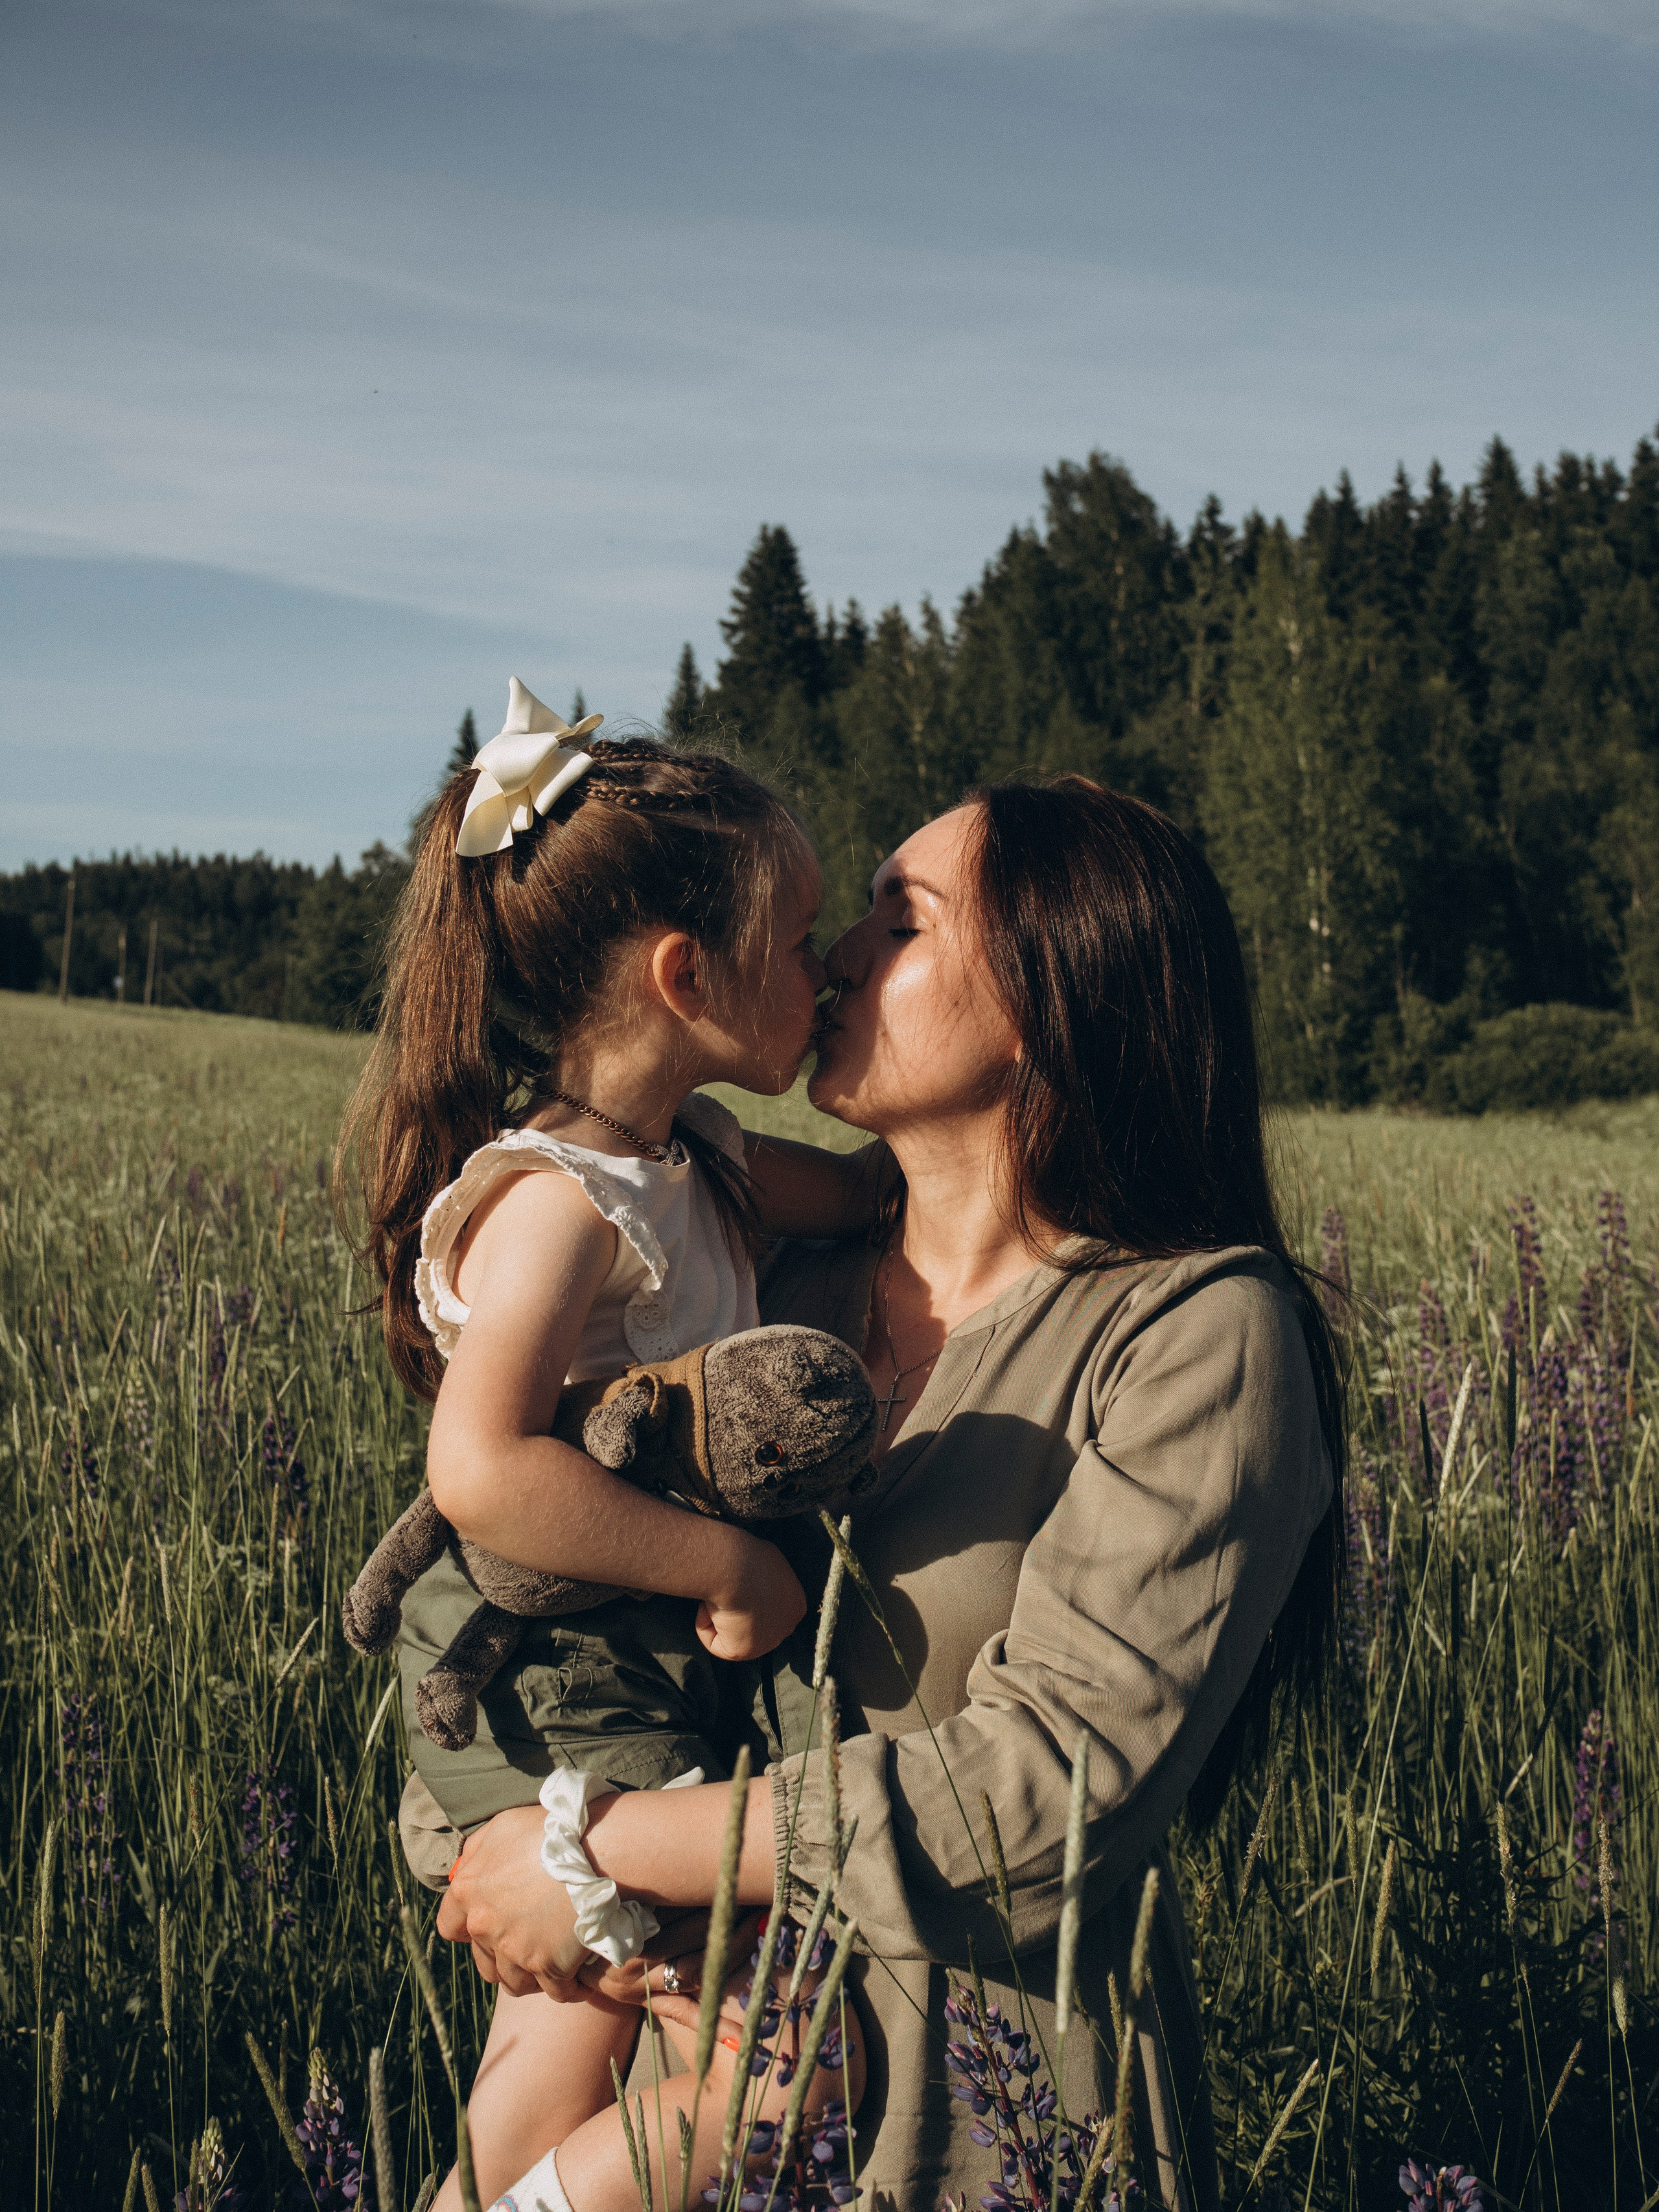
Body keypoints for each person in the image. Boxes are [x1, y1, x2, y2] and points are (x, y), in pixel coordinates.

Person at [439, 774, 1347, 2212]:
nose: (837, 956)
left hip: (994, 2131)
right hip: (680, 2092)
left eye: (896, 919)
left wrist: (595, 1846)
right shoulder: (755, 1283)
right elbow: (537, 1605)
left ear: (1054, 990)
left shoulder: (1194, 1335)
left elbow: (1044, 1794)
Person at [342, 682, 876, 2211]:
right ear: (683, 973)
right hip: (554, 1672)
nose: (827, 978)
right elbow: (482, 1468)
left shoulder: (691, 1155)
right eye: (799, 948)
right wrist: (718, 1558)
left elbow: (859, 1195)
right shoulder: (559, 1200)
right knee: (773, 2052)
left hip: (615, 1672)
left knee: (562, 2034)